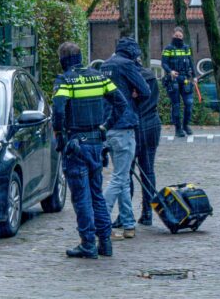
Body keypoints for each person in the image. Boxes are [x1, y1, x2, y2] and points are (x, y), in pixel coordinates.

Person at [52, 42, 129, 259]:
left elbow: (58, 111)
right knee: (96, 194)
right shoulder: (99, 77)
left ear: (62, 60)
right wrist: (106, 126)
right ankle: (105, 242)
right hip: (97, 145)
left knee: (81, 197)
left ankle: (87, 243)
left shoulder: (65, 80)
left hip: (76, 145)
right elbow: (121, 103)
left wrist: (60, 134)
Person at [100, 38, 150, 239]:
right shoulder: (127, 65)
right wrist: (134, 94)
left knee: (123, 177)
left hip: (108, 126)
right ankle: (101, 222)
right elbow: (145, 90)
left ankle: (129, 224)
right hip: (124, 126)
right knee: (119, 178)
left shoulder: (105, 65)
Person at [134, 63, 161, 226]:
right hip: (153, 122)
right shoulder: (150, 74)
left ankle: (126, 214)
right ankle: (147, 212)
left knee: (125, 173)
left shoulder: (129, 77)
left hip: (136, 125)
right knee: (148, 169)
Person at [162, 26, 196, 138]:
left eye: (180, 36)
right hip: (173, 79)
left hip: (185, 79)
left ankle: (186, 125)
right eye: (176, 36)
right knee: (176, 105)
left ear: (183, 37)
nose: (178, 38)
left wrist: (194, 77)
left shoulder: (187, 48)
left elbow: (191, 63)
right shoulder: (168, 48)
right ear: (173, 35)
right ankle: (178, 128)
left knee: (189, 103)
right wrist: (170, 71)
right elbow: (164, 63)